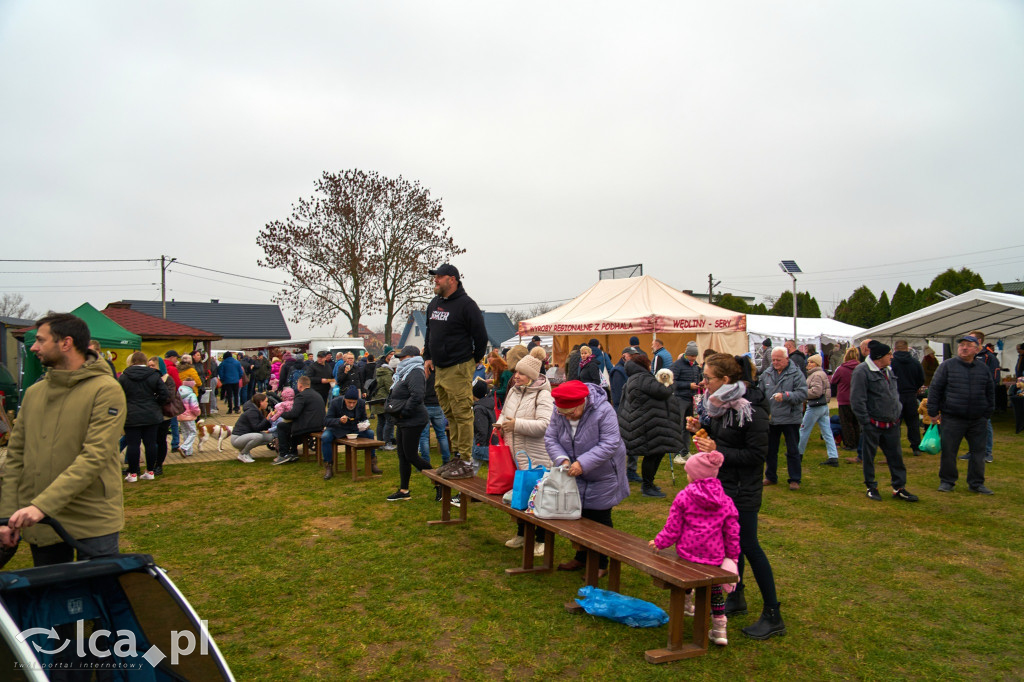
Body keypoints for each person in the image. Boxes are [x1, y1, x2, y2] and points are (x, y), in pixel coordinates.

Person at [1, 313, 127, 565]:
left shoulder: (106, 389)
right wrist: (5, 518)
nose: (34, 347)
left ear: (66, 343)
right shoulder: (35, 393)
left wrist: (41, 507)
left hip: (91, 519)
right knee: (54, 598)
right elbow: (15, 457)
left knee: (97, 596)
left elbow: (94, 457)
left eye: (40, 340)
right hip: (41, 522)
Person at [689, 353, 785, 640]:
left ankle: (773, 614)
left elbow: (757, 455)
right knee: (732, 546)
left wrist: (716, 448)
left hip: (743, 488)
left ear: (726, 380)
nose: (702, 382)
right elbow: (725, 439)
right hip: (725, 484)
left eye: (707, 378)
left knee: (749, 545)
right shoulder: (721, 404)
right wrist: (702, 431)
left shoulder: (751, 407)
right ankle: (737, 597)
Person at [649, 450, 740, 646]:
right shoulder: (725, 500)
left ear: (694, 475)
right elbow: (732, 532)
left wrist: (660, 542)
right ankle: (719, 629)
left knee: (686, 578)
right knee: (714, 591)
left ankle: (686, 606)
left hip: (687, 554)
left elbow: (673, 527)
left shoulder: (684, 497)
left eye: (688, 472)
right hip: (713, 557)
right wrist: (732, 557)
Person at [546, 380, 629, 578]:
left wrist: (583, 463)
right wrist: (562, 460)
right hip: (574, 471)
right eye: (562, 413)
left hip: (604, 473)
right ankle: (581, 557)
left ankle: (601, 562)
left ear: (582, 402)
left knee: (599, 516)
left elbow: (610, 442)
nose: (566, 417)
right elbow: (551, 438)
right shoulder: (559, 410)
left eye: (570, 413)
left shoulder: (604, 410)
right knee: (579, 514)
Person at [423, 264, 488, 474]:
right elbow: (429, 332)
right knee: (449, 413)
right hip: (439, 368)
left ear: (452, 279)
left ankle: (466, 461)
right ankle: (457, 457)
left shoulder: (466, 305)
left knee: (462, 413)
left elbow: (481, 337)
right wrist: (427, 357)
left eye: (439, 277)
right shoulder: (434, 303)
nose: (436, 280)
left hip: (459, 366)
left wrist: (473, 361)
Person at [495, 355, 552, 554]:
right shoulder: (513, 391)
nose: (515, 376)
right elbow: (505, 413)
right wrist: (501, 424)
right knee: (519, 494)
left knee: (537, 497)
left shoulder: (543, 396)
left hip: (535, 455)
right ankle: (522, 534)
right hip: (514, 452)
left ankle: (542, 539)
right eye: (516, 372)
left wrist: (516, 425)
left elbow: (545, 425)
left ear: (530, 375)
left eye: (520, 373)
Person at [850, 341, 919, 502]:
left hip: (892, 423)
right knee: (869, 456)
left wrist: (897, 411)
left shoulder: (888, 369)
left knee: (896, 457)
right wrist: (866, 421)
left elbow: (893, 393)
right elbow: (857, 400)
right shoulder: (862, 371)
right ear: (880, 357)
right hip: (873, 424)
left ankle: (899, 487)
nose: (892, 357)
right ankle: (871, 487)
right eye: (889, 354)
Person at [927, 334, 995, 494]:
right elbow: (935, 389)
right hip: (952, 417)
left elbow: (990, 391)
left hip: (978, 419)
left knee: (978, 453)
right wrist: (932, 411)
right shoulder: (947, 366)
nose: (964, 348)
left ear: (977, 349)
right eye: (961, 345)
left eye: (968, 345)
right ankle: (947, 481)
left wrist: (987, 413)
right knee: (949, 451)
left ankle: (977, 483)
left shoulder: (983, 368)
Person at [618, 353, 684, 498]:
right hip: (649, 424)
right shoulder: (643, 378)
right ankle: (647, 486)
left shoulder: (634, 379)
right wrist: (672, 383)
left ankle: (649, 483)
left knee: (656, 453)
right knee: (653, 455)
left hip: (647, 422)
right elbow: (663, 391)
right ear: (643, 364)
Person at [385, 346, 435, 501]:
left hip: (413, 419)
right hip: (404, 420)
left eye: (403, 357)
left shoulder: (415, 372)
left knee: (411, 455)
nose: (400, 360)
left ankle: (440, 483)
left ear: (412, 356)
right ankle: (404, 490)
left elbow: (417, 396)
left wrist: (403, 412)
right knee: (403, 456)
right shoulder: (404, 372)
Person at [758, 347, 807, 490]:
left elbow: (803, 394)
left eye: (778, 360)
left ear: (787, 359)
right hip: (772, 419)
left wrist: (786, 396)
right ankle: (770, 476)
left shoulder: (796, 374)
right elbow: (760, 393)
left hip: (790, 418)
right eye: (773, 360)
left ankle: (795, 479)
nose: (775, 362)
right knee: (770, 450)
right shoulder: (766, 374)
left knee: (792, 450)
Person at [119, 350, 169, 482]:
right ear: (145, 362)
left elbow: (117, 395)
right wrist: (155, 403)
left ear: (132, 361)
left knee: (133, 444)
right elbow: (164, 394)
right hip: (151, 414)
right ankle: (150, 471)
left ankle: (133, 474)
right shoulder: (154, 375)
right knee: (151, 444)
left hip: (131, 415)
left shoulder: (124, 376)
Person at [321, 385, 377, 480]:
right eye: (349, 402)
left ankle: (372, 462)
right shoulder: (335, 403)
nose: (351, 405)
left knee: (370, 434)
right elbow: (326, 421)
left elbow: (364, 418)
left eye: (353, 402)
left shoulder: (361, 403)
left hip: (353, 430)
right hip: (337, 429)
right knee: (325, 437)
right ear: (344, 399)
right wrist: (338, 420)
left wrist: (365, 424)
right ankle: (328, 465)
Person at [272, 376, 326, 465]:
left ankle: (283, 454)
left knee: (281, 426)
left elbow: (294, 414)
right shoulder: (317, 394)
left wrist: (281, 413)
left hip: (308, 426)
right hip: (319, 425)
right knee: (292, 426)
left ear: (300, 386)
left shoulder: (301, 396)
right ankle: (293, 452)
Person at [798, 354, 838, 467]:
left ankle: (798, 454)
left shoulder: (815, 375)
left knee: (804, 430)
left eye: (812, 362)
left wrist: (802, 393)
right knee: (827, 432)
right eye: (809, 362)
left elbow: (816, 391)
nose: (809, 364)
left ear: (817, 364)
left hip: (815, 407)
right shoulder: (820, 374)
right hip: (823, 406)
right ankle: (833, 456)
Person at [890, 340, 925, 455]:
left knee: (895, 422)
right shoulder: (915, 362)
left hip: (896, 394)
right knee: (913, 422)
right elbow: (921, 379)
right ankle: (916, 447)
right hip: (911, 394)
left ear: (895, 349)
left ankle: (895, 446)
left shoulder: (892, 363)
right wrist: (915, 387)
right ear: (907, 349)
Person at [148, 356, 179, 476]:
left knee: (161, 439)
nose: (151, 368)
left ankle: (159, 464)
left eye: (153, 366)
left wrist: (155, 399)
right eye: (149, 366)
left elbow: (169, 396)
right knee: (151, 440)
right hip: (150, 414)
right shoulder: (148, 379)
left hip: (163, 414)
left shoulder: (168, 379)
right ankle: (151, 464)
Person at [670, 341, 703, 454]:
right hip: (680, 399)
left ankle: (685, 451)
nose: (694, 358)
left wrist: (699, 383)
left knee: (687, 426)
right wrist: (688, 385)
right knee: (679, 426)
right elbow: (672, 382)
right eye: (692, 356)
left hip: (691, 398)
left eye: (695, 356)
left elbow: (696, 378)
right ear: (687, 354)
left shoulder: (695, 366)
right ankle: (676, 452)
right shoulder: (677, 365)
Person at [830, 347, 862, 454]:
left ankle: (850, 443)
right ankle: (858, 442)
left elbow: (833, 381)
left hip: (844, 398)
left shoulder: (841, 369)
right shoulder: (861, 368)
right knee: (856, 422)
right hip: (857, 398)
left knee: (846, 422)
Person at [418, 370, 451, 466]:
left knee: (424, 436)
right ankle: (446, 459)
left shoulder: (422, 372)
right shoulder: (439, 372)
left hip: (425, 405)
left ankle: (425, 462)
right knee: (441, 434)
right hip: (437, 404)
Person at [231, 392, 274, 463]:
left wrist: (271, 421)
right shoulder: (252, 411)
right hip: (237, 438)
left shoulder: (257, 410)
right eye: (266, 401)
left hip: (246, 436)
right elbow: (256, 428)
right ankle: (242, 454)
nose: (267, 403)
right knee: (258, 437)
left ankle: (246, 452)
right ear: (260, 402)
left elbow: (261, 425)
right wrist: (267, 419)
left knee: (270, 437)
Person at [371, 349, 396, 451]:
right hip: (384, 398)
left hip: (377, 398)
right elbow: (389, 387)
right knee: (389, 421)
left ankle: (380, 443)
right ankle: (386, 442)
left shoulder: (380, 369)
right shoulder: (387, 372)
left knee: (381, 421)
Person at [470, 379, 496, 474]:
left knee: (474, 466)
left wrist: (479, 444)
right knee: (492, 468)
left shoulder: (479, 409)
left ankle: (465, 487)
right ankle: (493, 487)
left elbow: (481, 428)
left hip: (482, 443)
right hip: (491, 441)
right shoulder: (488, 403)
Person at [609, 346, 638, 411]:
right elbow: (619, 394)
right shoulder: (618, 371)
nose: (633, 358)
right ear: (623, 356)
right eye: (631, 356)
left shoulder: (631, 369)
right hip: (622, 409)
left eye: (635, 356)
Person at [177, 380, 201, 456]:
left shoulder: (178, 393)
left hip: (180, 416)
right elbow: (194, 407)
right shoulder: (192, 395)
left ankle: (188, 451)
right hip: (189, 416)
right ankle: (184, 447)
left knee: (185, 433)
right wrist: (198, 413)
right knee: (193, 432)